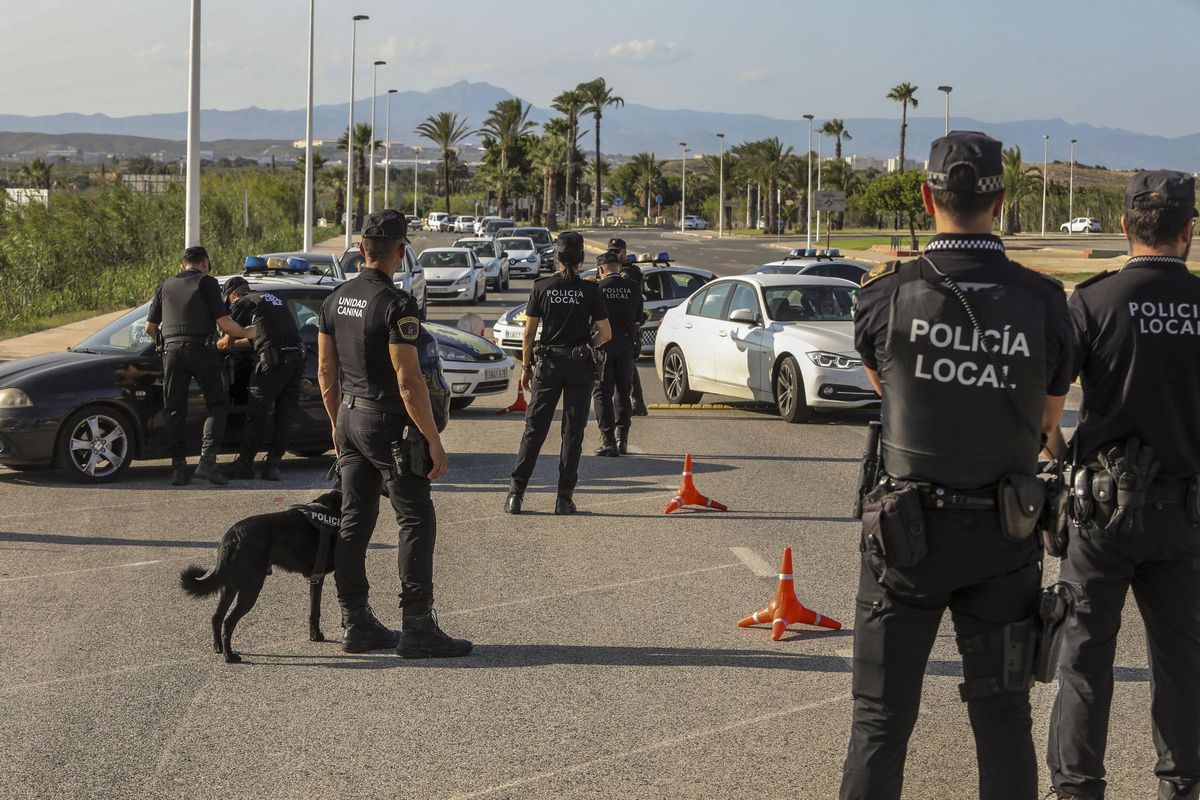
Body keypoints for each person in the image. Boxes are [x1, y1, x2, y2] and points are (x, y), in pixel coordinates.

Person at [841, 131, 1072, 800]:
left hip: (904, 539)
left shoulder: (885, 293)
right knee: (1002, 720)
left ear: (925, 196)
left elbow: (889, 390)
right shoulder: (1045, 299)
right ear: (1001, 200)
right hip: (1005, 535)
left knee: (880, 723)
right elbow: (1048, 425)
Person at [1045, 171, 1200, 800]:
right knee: (1184, 664)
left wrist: (1063, 467)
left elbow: (1045, 416)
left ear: (1125, 226)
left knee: (1083, 661)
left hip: (1100, 511)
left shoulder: (1092, 301)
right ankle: (1181, 786)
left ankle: (1078, 789)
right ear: (1189, 232)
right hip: (1186, 514)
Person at [316, 209, 470, 658]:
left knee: (353, 523)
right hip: (390, 424)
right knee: (416, 519)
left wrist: (336, 424)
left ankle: (356, 622)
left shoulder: (334, 299)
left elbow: (326, 371)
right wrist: (434, 440)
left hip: (350, 417)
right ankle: (418, 627)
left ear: (362, 250)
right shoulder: (397, 305)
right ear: (401, 253)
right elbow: (408, 380)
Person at [506, 231, 612, 515]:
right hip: (579, 367)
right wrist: (585, 346)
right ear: (581, 259)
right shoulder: (591, 291)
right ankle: (564, 499)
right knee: (572, 433)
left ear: (557, 257)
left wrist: (526, 368)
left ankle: (516, 495)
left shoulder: (542, 287)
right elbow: (606, 333)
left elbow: (528, 334)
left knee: (534, 430)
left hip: (548, 365)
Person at [145, 246, 256, 487]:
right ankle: (207, 462)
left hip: (172, 353)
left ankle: (178, 469)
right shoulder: (207, 283)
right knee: (218, 404)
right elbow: (224, 323)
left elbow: (150, 328)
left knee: (174, 409)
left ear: (181, 265)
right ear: (204, 263)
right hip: (201, 350)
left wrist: (164, 346)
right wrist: (247, 332)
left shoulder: (165, 286)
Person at [218, 275, 306, 481]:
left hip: (273, 361)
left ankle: (245, 464)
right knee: (285, 414)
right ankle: (273, 465)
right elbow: (259, 333)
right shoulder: (270, 298)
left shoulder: (242, 302)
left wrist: (207, 347)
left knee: (257, 412)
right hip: (296, 358)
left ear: (233, 294)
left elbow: (227, 340)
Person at [592, 251, 642, 456]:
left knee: (602, 392)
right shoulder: (634, 288)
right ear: (619, 268)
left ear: (601, 270)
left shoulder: (598, 288)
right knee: (623, 391)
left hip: (603, 344)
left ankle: (608, 441)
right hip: (627, 343)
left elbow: (590, 319)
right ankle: (623, 439)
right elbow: (639, 320)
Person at [610, 237, 649, 417]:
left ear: (624, 252)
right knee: (626, 366)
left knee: (629, 365)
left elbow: (634, 292)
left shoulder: (631, 272)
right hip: (610, 324)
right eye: (611, 251)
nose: (614, 254)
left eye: (617, 251)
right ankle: (634, 401)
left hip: (628, 326)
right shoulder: (609, 267)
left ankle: (637, 401)